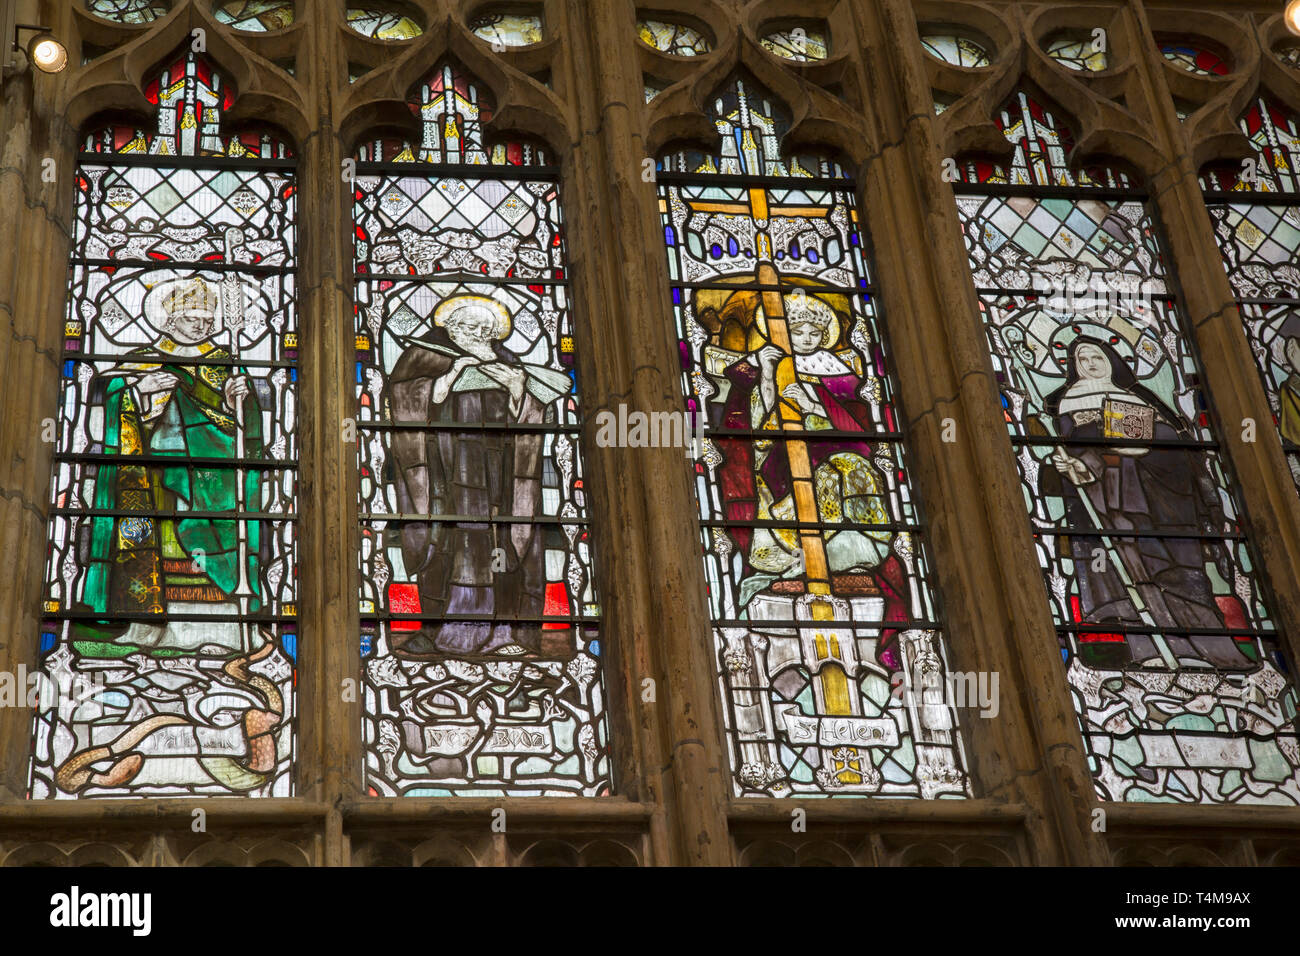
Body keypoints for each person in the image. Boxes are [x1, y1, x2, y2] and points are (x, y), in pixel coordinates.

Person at [715, 293, 911, 670]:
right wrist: (768, 374)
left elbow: (858, 429)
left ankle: (849, 555)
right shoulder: (766, 365)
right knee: (810, 484)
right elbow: (755, 428)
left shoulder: (836, 373)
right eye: (797, 330)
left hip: (839, 456)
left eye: (813, 331)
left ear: (824, 335)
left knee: (847, 469)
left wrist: (814, 407)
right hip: (783, 466)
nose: (805, 337)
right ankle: (801, 558)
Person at [78, 276, 264, 657]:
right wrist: (139, 393)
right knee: (155, 541)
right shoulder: (141, 361)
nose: (202, 326)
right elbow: (108, 410)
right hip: (154, 483)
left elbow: (245, 435)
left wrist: (234, 403)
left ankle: (220, 630)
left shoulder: (220, 366)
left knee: (205, 539)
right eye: (193, 317)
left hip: (209, 486)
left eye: (208, 320)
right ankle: (146, 626)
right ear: (168, 318)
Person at [1043, 335, 1252, 668]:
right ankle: (1149, 652)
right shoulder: (1069, 402)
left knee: (1177, 572)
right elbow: (1080, 449)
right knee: (1127, 573)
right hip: (1107, 501)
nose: (1091, 363)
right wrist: (1080, 466)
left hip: (1160, 502)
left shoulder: (1136, 397)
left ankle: (1212, 652)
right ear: (1074, 367)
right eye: (1083, 359)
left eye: (1097, 356)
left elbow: (1177, 446)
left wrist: (1142, 447)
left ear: (1112, 360)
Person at [385, 295, 573, 658]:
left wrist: (518, 388)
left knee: (501, 542)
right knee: (455, 543)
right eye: (470, 328)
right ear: (451, 327)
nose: (478, 334)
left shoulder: (507, 362)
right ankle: (447, 630)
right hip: (446, 471)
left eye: (486, 330)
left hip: (500, 470)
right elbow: (403, 399)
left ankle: (504, 631)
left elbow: (531, 412)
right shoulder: (425, 355)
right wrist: (450, 377)